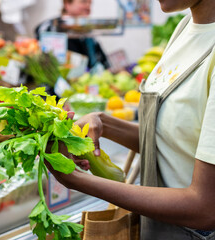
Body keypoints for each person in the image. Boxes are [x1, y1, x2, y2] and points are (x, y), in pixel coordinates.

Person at [47, 0, 215, 239]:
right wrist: (106, 122)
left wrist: (75, 179)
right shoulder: (185, 27)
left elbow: (205, 208)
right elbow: (173, 143)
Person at [35, 0, 110, 70]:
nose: (88, 7)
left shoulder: (88, 34)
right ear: (67, 4)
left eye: (90, 3)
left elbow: (102, 61)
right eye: (83, 2)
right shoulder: (49, 27)